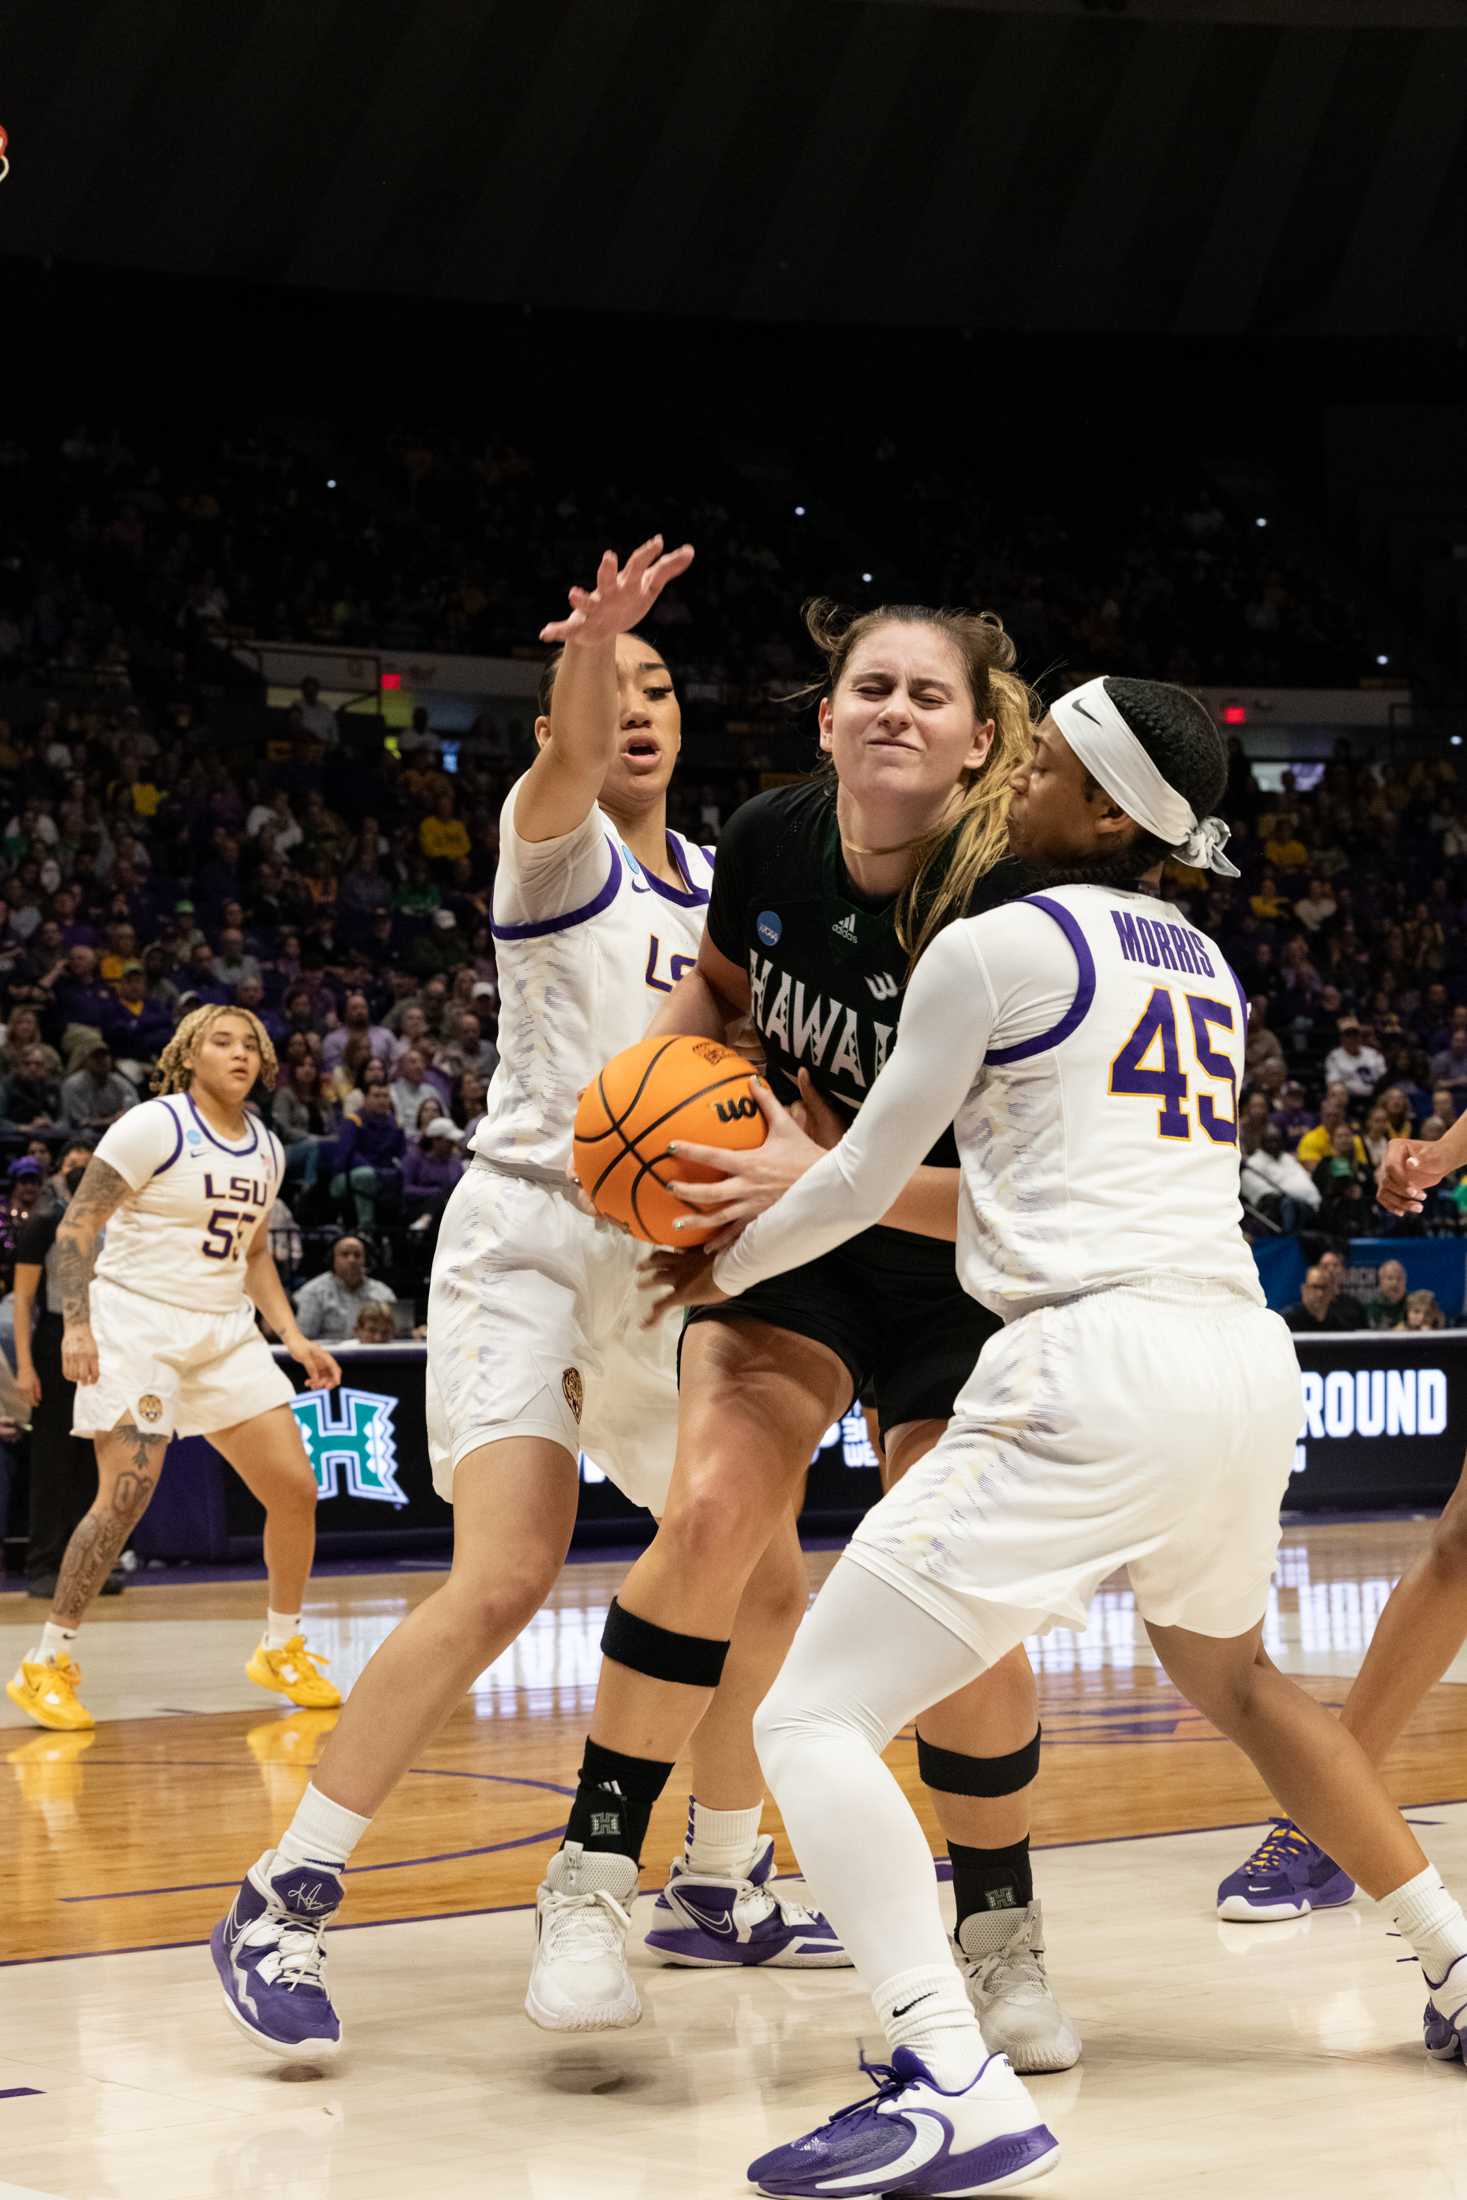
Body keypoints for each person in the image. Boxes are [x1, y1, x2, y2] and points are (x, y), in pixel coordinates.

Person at [651, 676, 1467, 2191]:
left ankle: (941, 2074)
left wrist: (712, 1261)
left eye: (1036, 761)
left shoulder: (990, 944)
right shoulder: (1202, 960)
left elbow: (845, 1180)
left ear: (1101, 810)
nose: (1006, 771)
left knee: (807, 1721)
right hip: (1235, 1357)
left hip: (1089, 1361)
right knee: (1230, 1670)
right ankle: (1453, 1958)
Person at [210, 536, 845, 2069]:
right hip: (529, 1235)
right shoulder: (550, 842)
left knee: (765, 1582)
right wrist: (590, 643)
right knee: (502, 1577)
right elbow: (567, 751)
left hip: (668, 1257)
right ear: (567, 712)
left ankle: (714, 1877)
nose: (636, 706)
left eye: (659, 683)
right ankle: (284, 1891)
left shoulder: (720, 890)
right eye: (609, 687)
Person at [523, 592, 1085, 2067]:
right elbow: (720, 980)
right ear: (825, 716)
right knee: (713, 1510)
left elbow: (1029, 1184)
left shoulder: (1012, 904)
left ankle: (999, 1927)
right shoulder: (770, 839)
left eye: (927, 695)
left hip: (963, 1251)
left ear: (976, 743)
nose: (894, 708)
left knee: (943, 1575)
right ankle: (586, 1880)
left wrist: (822, 1174)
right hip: (798, 1241)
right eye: (868, 687)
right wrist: (635, 1118)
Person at [5, 1005, 344, 1734]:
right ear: (190, 1055)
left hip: (224, 1332)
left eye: (251, 1044)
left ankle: (280, 1646)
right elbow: (76, 1227)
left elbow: (253, 1255)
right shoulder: (155, 1125)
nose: (240, 1053)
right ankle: (47, 1661)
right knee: (126, 1495)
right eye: (222, 1042)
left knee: (294, 1488)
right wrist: (80, 1323)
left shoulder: (268, 1147)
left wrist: (292, 1337)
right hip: (138, 1323)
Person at [10, 1141, 124, 1600]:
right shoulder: (44, 1222)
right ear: (61, 1173)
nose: (83, 1170)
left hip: (109, 1338)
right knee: (52, 1457)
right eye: (75, 1163)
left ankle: (89, 1564)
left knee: (95, 1459)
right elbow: (22, 1301)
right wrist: (24, 1366)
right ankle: (44, 1563)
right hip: (57, 1337)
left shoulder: (118, 1222)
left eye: (90, 1164)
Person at [292, 1234, 397, 1342]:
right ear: (332, 1259)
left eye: (357, 1255)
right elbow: (303, 1339)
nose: (351, 1260)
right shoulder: (312, 1292)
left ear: (366, 1260)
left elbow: (394, 1335)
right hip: (328, 1356)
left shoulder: (383, 1293)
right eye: (345, 1254)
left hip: (373, 1356)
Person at [1283, 1265, 1345, 1333]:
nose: (1320, 1294)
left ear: (1332, 1291)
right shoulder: (1285, 1321)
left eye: (1324, 1287)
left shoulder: (1339, 1325)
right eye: (1315, 1287)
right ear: (1304, 1289)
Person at [1365, 1256, 1409, 1328]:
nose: (1395, 1283)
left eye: (1399, 1278)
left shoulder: (1414, 1303)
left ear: (1405, 1281)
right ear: (1381, 1281)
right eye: (1390, 1278)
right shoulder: (1371, 1307)